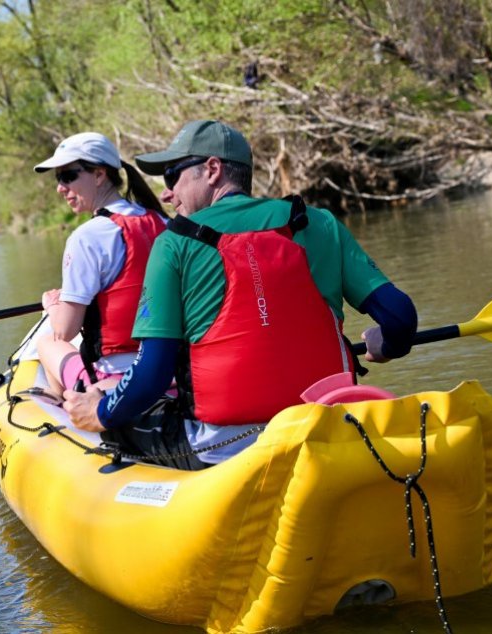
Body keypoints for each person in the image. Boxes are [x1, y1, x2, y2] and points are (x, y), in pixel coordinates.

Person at [63, 120, 417, 470]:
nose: (167, 194)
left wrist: (100, 410)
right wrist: (385, 343)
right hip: (326, 424)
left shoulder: (173, 243)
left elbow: (152, 375)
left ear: (212, 169)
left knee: (118, 424)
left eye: (173, 176)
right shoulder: (318, 222)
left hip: (222, 448)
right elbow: (401, 317)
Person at [33, 132, 168, 396]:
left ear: (98, 175)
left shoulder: (87, 237)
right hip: (170, 368)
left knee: (48, 341)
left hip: (116, 378)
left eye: (68, 176)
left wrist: (53, 307)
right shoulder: (163, 221)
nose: (60, 187)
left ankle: (65, 409)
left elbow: (65, 330)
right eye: (58, 178)